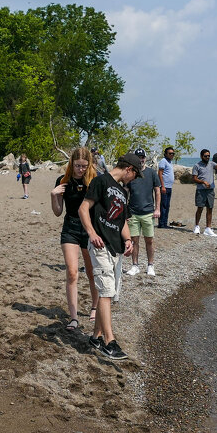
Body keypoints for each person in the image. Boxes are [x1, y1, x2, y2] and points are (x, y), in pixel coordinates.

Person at [78, 153, 141, 361]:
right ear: (129, 169)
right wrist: (92, 233)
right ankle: (109, 342)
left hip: (116, 248)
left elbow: (122, 220)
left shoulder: (123, 192)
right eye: (135, 175)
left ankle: (95, 337)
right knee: (105, 291)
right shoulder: (101, 181)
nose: (134, 179)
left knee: (110, 292)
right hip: (100, 244)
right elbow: (83, 208)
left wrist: (129, 240)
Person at [50, 146, 99, 332]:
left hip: (89, 229)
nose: (80, 169)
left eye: (84, 166)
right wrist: (53, 195)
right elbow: (57, 212)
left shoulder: (94, 181)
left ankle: (94, 307)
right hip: (70, 227)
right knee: (72, 272)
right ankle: (73, 317)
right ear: (72, 163)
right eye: (77, 165)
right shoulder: (63, 181)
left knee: (92, 271)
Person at [125, 148, 161, 276]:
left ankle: (150, 265)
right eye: (138, 157)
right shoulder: (130, 174)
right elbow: (125, 193)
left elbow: (157, 191)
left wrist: (157, 209)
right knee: (134, 240)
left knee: (149, 240)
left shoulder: (151, 173)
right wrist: (125, 212)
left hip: (148, 212)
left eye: (142, 157)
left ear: (145, 158)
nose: (140, 160)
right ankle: (135, 265)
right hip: (133, 212)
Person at [190, 148, 217, 237]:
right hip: (201, 190)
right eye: (206, 156)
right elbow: (194, 178)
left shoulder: (211, 164)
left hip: (210, 190)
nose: (207, 157)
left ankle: (208, 228)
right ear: (201, 156)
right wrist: (203, 182)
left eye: (209, 156)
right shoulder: (197, 165)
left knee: (210, 208)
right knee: (200, 208)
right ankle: (197, 226)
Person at [156, 146, 176, 228]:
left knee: (167, 205)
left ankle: (165, 223)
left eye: (173, 153)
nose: (172, 155)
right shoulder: (163, 161)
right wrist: (162, 186)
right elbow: (160, 173)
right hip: (164, 187)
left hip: (169, 187)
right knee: (163, 205)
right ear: (165, 154)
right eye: (170, 153)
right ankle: (161, 224)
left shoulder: (170, 162)